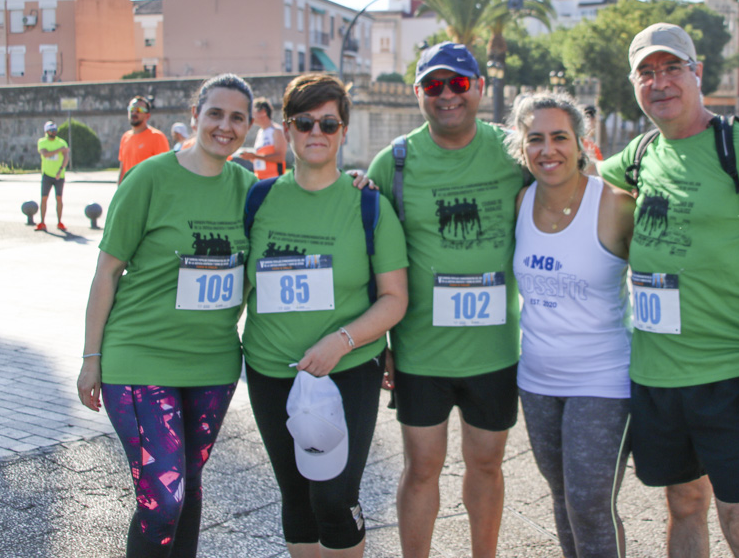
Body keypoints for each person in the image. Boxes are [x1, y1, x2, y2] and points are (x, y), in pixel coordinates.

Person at [597, 23, 739, 557]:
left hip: (733, 379)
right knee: (684, 506)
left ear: (698, 73)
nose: (659, 82)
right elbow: (563, 171)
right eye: (646, 72)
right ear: (634, 83)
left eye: (672, 68)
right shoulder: (639, 155)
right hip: (657, 377)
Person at [77, 74, 258, 556]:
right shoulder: (150, 178)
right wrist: (91, 357)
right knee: (163, 499)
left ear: (250, 125)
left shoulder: (250, 189)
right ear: (194, 114)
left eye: (237, 117)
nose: (225, 125)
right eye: (215, 113)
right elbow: (106, 273)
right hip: (140, 360)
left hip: (213, 366)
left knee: (189, 488)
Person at [366, 41, 525, 558]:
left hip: (493, 351)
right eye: (434, 85)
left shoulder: (512, 150)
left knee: (486, 465)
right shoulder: (395, 161)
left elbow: (568, 186)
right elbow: (374, 257)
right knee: (421, 468)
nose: (447, 94)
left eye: (458, 83)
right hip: (421, 352)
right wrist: (379, 342)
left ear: (479, 88)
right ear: (418, 94)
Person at [242, 73, 408, 557]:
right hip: (271, 369)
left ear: (344, 130)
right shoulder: (257, 198)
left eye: (329, 123)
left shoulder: (368, 204)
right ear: (287, 129)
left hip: (349, 368)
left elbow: (394, 298)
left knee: (333, 496)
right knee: (295, 492)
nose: (317, 132)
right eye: (304, 122)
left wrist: (342, 341)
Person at [506, 91, 635, 558]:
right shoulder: (521, 202)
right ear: (522, 148)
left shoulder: (616, 204)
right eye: (535, 139)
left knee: (590, 503)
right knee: (561, 500)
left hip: (602, 380)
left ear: (581, 143)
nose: (548, 150)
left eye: (560, 137)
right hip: (537, 381)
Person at [117, 96, 170, 184]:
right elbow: (122, 169)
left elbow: (164, 169)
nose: (134, 113)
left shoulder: (157, 137)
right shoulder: (125, 137)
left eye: (139, 110)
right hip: (129, 192)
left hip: (148, 193)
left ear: (147, 115)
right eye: (131, 109)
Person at [236, 98, 289, 179]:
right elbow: (260, 158)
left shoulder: (277, 131)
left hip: (274, 179)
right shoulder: (260, 132)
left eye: (252, 112)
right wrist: (250, 157)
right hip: (260, 178)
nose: (250, 116)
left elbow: (280, 157)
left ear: (263, 112)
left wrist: (255, 156)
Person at [35, 120, 70, 232]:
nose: (54, 132)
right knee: (44, 198)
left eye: (55, 130)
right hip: (47, 174)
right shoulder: (42, 142)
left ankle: (59, 222)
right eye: (51, 131)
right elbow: (45, 154)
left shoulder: (62, 142)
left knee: (59, 198)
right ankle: (42, 222)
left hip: (59, 175)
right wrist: (59, 150)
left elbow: (66, 157)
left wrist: (60, 170)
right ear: (46, 131)